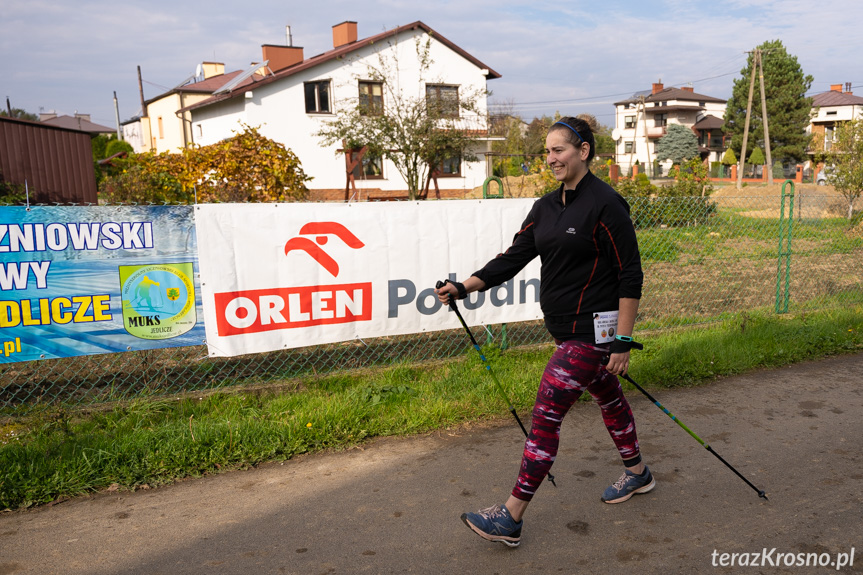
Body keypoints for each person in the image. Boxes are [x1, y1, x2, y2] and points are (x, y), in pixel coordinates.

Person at [435, 115, 654, 548]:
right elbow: (512, 258)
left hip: (593, 334)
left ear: (584, 151)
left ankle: (510, 517)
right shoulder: (546, 208)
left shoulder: (606, 204)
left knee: (546, 414)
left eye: (559, 150)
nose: (551, 158)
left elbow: (630, 275)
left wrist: (624, 341)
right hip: (565, 330)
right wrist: (464, 286)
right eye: (548, 151)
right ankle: (637, 473)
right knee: (609, 399)